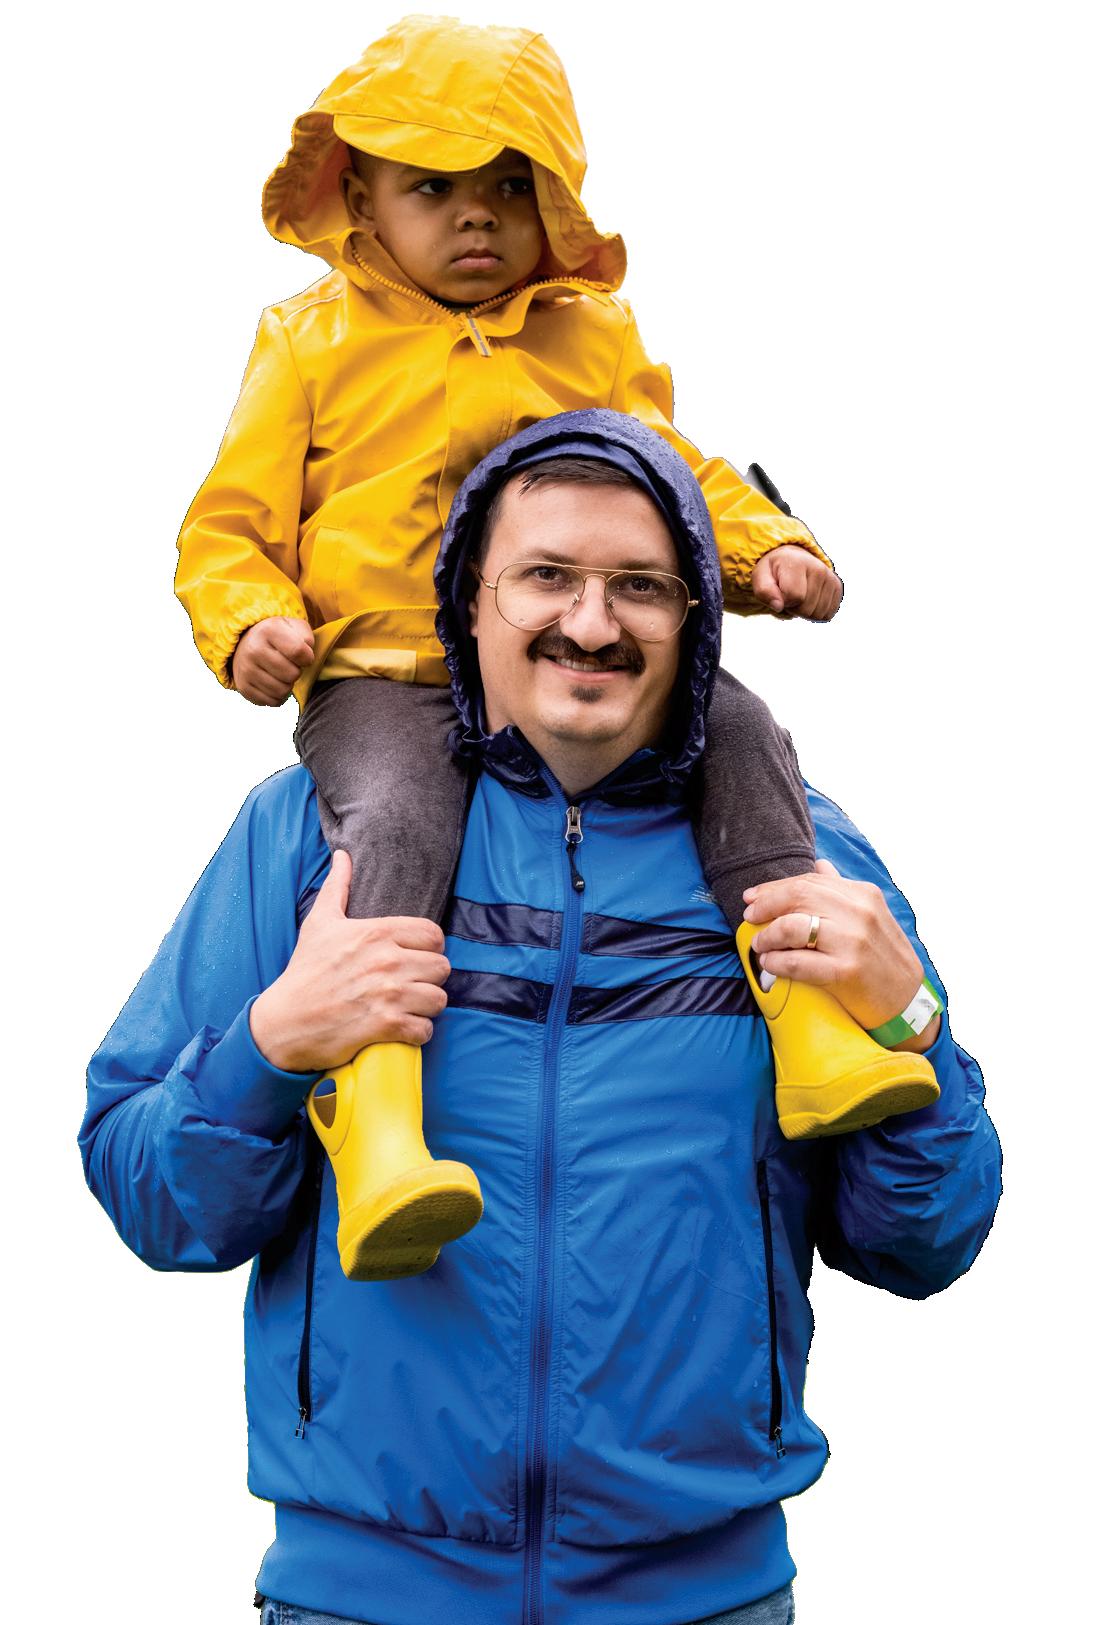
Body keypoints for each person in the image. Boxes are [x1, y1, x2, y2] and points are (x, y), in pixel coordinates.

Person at [83, 412, 1001, 1625]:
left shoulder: (803, 856)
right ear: (466, 604)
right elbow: (156, 1202)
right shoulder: (310, 838)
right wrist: (269, 1048)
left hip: (704, 1600)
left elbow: (924, 1242)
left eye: (642, 586)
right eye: (546, 576)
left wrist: (911, 1020)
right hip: (363, 1599)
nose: (594, 622)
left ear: (697, 616)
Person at [173, 16, 856, 1274]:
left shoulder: (591, 337)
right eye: (432, 188)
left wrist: (765, 547)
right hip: (387, 671)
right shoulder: (310, 340)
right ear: (358, 197)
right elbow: (230, 524)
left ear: (559, 202)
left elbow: (680, 475)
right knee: (393, 816)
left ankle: (817, 1023)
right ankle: (380, 1115)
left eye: (510, 186)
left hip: (566, 682)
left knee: (747, 728)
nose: (477, 216)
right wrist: (252, 619)